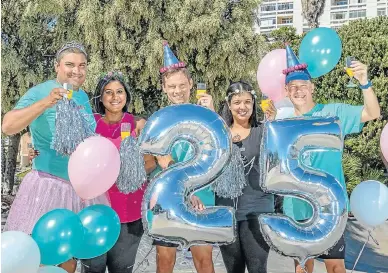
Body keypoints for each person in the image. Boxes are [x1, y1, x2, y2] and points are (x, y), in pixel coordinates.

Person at [2, 42, 110, 273]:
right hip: (48, 187)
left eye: (82, 65)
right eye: (70, 64)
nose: (76, 71)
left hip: (80, 192)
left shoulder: (82, 97)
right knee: (42, 256)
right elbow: (8, 126)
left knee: (69, 259)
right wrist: (46, 103)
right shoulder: (41, 91)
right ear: (57, 66)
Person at [281, 45, 381, 273]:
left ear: (312, 87)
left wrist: (364, 82)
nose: (298, 91)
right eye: (293, 87)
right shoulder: (283, 123)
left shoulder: (334, 113)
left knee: (335, 266)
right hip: (297, 206)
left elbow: (373, 113)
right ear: (286, 92)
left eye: (303, 86)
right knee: (302, 267)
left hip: (330, 205)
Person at [79, 71, 156, 273]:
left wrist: (127, 171)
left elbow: (150, 163)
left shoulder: (138, 125)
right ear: (100, 97)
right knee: (92, 269)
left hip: (128, 211)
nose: (115, 97)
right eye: (108, 92)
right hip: (93, 211)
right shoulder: (90, 123)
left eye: (120, 91)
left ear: (127, 95)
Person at [150, 41, 216, 273]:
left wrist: (213, 114)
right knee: (165, 261)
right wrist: (187, 193)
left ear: (190, 84)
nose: (177, 91)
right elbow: (164, 161)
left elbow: (218, 152)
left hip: (202, 195)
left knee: (204, 260)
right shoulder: (159, 120)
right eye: (171, 86)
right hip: (169, 195)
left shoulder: (206, 116)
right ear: (164, 88)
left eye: (181, 85)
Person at [215, 81, 277, 273]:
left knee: (257, 268)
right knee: (233, 269)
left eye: (247, 102)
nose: (242, 107)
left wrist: (274, 126)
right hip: (226, 212)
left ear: (253, 104)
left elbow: (277, 159)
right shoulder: (219, 133)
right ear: (228, 104)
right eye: (237, 102)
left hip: (257, 210)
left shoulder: (264, 131)